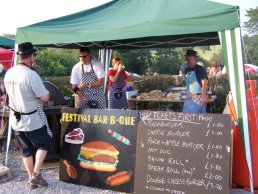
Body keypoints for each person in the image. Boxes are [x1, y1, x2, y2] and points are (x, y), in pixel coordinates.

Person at [4, 42, 52, 190]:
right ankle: (36, 174)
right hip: (32, 119)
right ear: (31, 56)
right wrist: (47, 95)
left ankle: (32, 179)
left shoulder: (9, 72)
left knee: (26, 150)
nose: (35, 58)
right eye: (34, 56)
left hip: (16, 119)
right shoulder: (31, 75)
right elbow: (44, 98)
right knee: (45, 142)